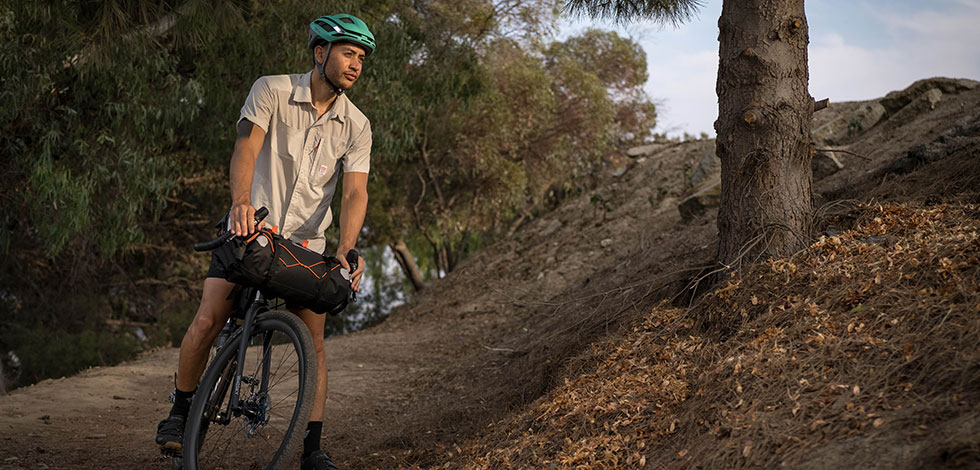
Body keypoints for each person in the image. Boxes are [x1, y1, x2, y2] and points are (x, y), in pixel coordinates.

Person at [154, 13, 376, 470]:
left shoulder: (357, 125)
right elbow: (246, 148)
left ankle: (312, 450)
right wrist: (240, 202)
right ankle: (179, 413)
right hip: (251, 230)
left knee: (314, 342)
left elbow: (355, 191)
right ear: (320, 53)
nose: (356, 64)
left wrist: (346, 248)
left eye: (362, 58)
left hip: (306, 246)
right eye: (348, 53)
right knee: (208, 318)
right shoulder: (271, 89)